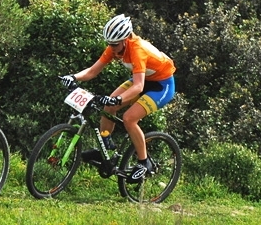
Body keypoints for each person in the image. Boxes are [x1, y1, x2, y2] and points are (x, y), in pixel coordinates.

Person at [60, 14, 176, 182]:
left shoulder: (137, 49)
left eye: (114, 44)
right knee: (108, 107)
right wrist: (73, 77)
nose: (111, 48)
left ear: (126, 39)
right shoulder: (114, 47)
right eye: (109, 44)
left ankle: (144, 163)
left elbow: (138, 86)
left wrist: (118, 99)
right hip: (143, 80)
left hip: (162, 86)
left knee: (129, 118)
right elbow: (93, 71)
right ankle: (105, 148)